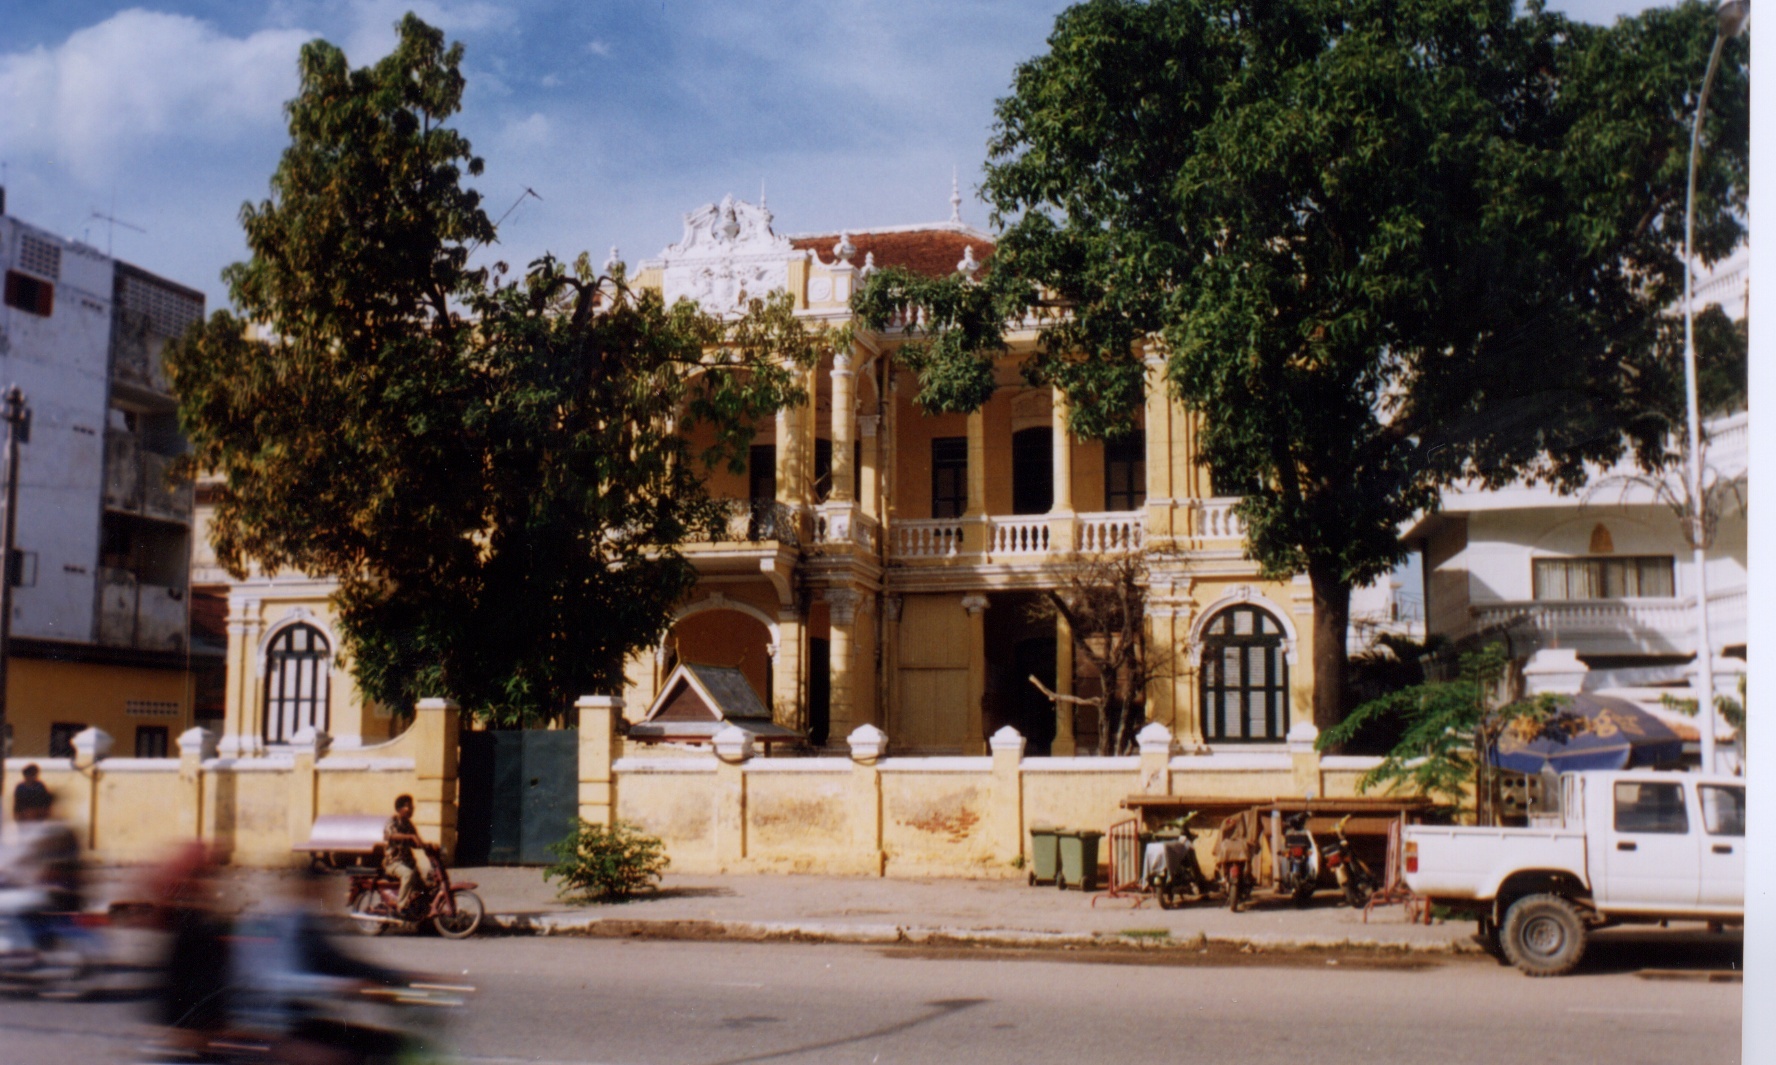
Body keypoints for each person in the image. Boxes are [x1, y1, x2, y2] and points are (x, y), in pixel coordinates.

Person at [381, 795, 427, 915]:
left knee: (423, 887)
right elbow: (390, 836)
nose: (412, 808)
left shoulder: (408, 824)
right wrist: (410, 837)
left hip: (408, 862)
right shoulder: (392, 821)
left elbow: (417, 842)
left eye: (412, 806)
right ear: (400, 808)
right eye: (409, 806)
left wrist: (428, 846)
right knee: (408, 875)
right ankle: (400, 906)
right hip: (393, 863)